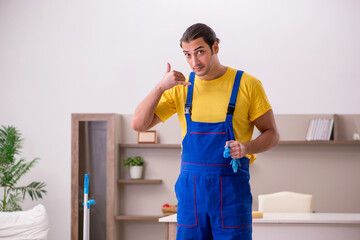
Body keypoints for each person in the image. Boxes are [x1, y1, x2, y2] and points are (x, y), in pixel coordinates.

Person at [131, 23, 279, 240]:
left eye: (200, 52)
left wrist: (246, 147)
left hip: (231, 193)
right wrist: (160, 87)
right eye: (187, 55)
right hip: (191, 194)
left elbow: (272, 134)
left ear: (215, 47)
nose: (194, 62)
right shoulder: (182, 88)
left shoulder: (247, 85)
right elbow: (138, 124)